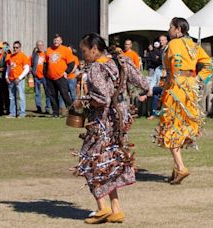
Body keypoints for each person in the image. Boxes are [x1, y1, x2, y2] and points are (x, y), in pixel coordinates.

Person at [72, 33, 148, 224]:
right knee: (109, 162)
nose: (84, 55)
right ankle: (116, 209)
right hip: (121, 118)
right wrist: (143, 91)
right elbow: (142, 81)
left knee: (89, 160)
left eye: (84, 51)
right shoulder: (120, 60)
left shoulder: (96, 67)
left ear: (94, 49)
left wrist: (82, 102)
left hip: (103, 121)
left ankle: (102, 208)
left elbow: (103, 98)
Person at [154, 17, 211, 185]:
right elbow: (208, 64)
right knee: (183, 125)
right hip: (190, 89)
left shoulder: (172, 44)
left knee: (171, 126)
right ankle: (175, 170)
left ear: (178, 29)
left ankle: (180, 167)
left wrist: (169, 83)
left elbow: (171, 67)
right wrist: (198, 80)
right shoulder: (194, 44)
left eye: (170, 27)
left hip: (175, 89)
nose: (169, 30)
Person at [46, 34, 75, 118]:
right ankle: (55, 112)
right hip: (50, 77)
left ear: (61, 41)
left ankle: (72, 112)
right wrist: (46, 74)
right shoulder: (48, 50)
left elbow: (71, 63)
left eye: (58, 40)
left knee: (65, 95)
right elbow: (45, 63)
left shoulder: (65, 50)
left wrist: (67, 72)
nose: (56, 42)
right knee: (52, 95)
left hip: (61, 77)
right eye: (55, 40)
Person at [5, 41, 29, 118]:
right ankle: (12, 113)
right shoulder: (10, 56)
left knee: (21, 96)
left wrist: (19, 78)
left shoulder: (23, 56)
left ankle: (22, 113)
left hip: (19, 80)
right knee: (11, 97)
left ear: (20, 48)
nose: (15, 49)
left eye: (17, 47)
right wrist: (6, 77)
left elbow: (27, 69)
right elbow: (8, 67)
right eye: (14, 47)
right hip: (11, 79)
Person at [30, 40, 50, 114]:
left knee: (47, 93)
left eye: (41, 45)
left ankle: (47, 108)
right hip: (36, 77)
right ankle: (39, 108)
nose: (40, 46)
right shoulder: (34, 55)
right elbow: (31, 65)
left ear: (43, 46)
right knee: (37, 93)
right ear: (37, 46)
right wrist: (32, 73)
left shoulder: (46, 54)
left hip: (45, 77)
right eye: (38, 45)